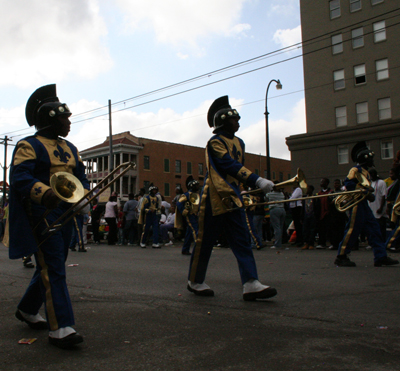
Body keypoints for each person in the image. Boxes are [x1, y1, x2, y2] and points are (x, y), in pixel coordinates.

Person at [8, 84, 89, 348]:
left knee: (52, 262)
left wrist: (85, 197)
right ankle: (61, 327)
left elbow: (81, 177)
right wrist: (45, 194)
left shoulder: (71, 147)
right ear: (50, 119)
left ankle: (28, 309)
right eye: (65, 118)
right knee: (53, 264)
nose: (68, 123)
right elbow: (20, 177)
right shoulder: (28, 145)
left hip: (66, 211)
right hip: (42, 211)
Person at [187, 95, 277, 300]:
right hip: (214, 195)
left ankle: (250, 282)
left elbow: (236, 171)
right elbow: (228, 165)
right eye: (233, 119)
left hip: (233, 194)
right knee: (206, 239)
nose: (238, 122)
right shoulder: (214, 142)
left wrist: (249, 185)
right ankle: (195, 280)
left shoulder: (239, 142)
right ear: (223, 121)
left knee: (241, 238)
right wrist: (256, 180)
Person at [335, 141, 399, 267]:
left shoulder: (366, 172)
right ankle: (341, 255)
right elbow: (349, 183)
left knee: (374, 230)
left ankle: (380, 256)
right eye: (370, 158)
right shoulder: (355, 169)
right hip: (356, 205)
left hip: (363, 204)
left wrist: (369, 194)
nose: (372, 161)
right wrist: (364, 190)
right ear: (365, 158)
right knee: (352, 230)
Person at [176, 176, 200, 255]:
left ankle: (185, 249)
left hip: (195, 214)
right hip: (190, 215)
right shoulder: (186, 195)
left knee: (189, 233)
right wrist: (183, 210)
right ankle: (198, 249)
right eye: (196, 186)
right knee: (195, 230)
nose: (197, 187)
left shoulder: (196, 194)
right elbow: (179, 202)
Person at [368, 168, 387, 242]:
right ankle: (374, 242)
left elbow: (384, 196)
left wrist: (381, 207)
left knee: (381, 228)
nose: (371, 176)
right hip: (372, 209)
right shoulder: (370, 183)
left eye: (372, 174)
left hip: (379, 209)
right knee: (373, 228)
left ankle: (382, 242)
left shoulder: (381, 182)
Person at [329, 179, 347, 251]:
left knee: (341, 229)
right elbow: (329, 203)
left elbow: (345, 202)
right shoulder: (332, 193)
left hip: (341, 214)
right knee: (333, 230)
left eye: (337, 184)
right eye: (335, 184)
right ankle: (334, 244)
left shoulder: (343, 193)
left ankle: (341, 243)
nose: (336, 185)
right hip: (333, 214)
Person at [266, 182, 286, 249]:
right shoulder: (281, 194)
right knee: (280, 227)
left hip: (274, 209)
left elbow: (266, 197)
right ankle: (279, 242)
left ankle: (277, 244)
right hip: (282, 209)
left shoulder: (270, 194)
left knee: (276, 228)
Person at [315, 178, 333, 249]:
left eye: (322, 182)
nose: (321, 183)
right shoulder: (319, 193)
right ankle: (322, 243)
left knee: (330, 229)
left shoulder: (330, 192)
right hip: (321, 214)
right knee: (321, 229)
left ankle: (332, 242)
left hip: (328, 213)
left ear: (326, 183)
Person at [301, 185, 317, 250]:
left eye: (308, 189)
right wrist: (301, 217)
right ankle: (306, 243)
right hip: (306, 215)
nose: (306, 190)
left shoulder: (315, 197)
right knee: (305, 230)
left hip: (312, 215)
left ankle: (311, 243)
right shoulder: (304, 198)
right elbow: (302, 208)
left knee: (312, 230)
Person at [289, 182, 303, 247]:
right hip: (294, 207)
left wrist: (289, 199)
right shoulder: (295, 190)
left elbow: (293, 197)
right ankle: (298, 239)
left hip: (297, 207)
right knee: (296, 225)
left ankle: (300, 240)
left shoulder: (298, 189)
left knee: (298, 225)